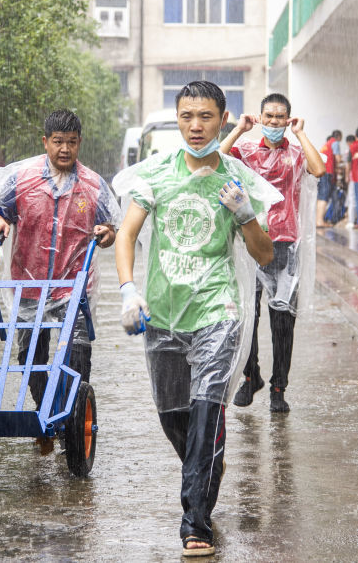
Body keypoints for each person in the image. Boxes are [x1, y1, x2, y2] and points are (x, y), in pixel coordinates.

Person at [114, 80, 278, 558]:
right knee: (175, 420)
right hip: (163, 314)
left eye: (205, 116)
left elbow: (265, 255)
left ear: (223, 119)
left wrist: (247, 215)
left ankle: (195, 523)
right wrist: (129, 291)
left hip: (216, 310)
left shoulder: (237, 179)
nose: (196, 126)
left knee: (207, 407)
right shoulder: (158, 174)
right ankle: (206, 463)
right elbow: (127, 235)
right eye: (187, 116)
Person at [0, 109, 119, 452]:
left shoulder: (92, 185)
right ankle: (47, 415)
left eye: (71, 142)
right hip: (29, 285)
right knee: (31, 356)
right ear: (45, 142)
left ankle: (71, 418)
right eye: (58, 142)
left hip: (75, 286)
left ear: (79, 144)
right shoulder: (22, 180)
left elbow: (109, 229)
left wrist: (106, 233)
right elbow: (0, 213)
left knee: (76, 355)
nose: (64, 149)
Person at [219, 93, 326, 413]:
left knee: (282, 323)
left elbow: (318, 169)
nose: (275, 123)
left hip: (285, 245)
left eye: (281, 117)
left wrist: (301, 133)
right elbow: (217, 161)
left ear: (289, 119)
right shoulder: (248, 151)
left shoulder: (296, 153)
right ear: (261, 119)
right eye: (269, 117)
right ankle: (251, 377)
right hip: (251, 240)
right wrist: (238, 130)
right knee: (246, 316)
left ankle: (279, 387)